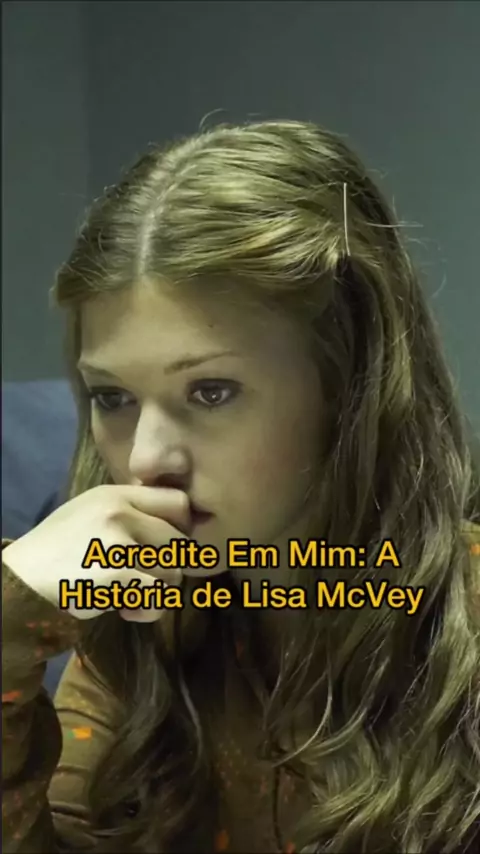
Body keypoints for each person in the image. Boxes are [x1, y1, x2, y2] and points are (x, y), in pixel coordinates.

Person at [2, 119, 479, 854]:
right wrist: (10, 617)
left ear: (348, 387)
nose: (147, 459)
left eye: (211, 392)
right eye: (112, 397)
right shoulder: (145, 623)